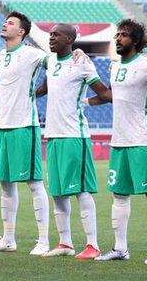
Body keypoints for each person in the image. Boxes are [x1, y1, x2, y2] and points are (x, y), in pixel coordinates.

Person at [86, 20, 147, 264]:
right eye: (117, 34)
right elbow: (113, 95)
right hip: (118, 140)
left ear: (136, 41)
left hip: (141, 138)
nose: (118, 38)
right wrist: (84, 103)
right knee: (119, 194)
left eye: (124, 35)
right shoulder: (114, 66)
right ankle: (120, 248)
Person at [35, 24, 109, 259]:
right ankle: (65, 243)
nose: (51, 37)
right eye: (51, 34)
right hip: (54, 136)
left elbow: (106, 94)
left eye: (56, 34)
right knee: (57, 192)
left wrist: (87, 103)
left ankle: (93, 245)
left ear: (70, 39)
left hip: (74, 135)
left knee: (81, 191)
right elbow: (44, 89)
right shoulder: (50, 63)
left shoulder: (82, 63)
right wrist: (23, 94)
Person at [0, 11, 51, 255]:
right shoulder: (1, 56)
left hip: (25, 126)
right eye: (5, 21)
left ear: (21, 31)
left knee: (34, 183)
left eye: (10, 23)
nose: (5, 24)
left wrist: (39, 92)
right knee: (5, 185)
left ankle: (43, 240)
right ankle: (8, 239)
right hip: (3, 126)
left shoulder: (32, 53)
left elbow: (55, 66)